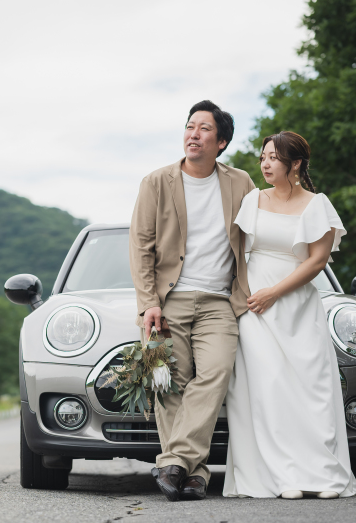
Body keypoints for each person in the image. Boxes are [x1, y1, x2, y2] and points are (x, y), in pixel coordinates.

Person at [223, 131, 356, 499]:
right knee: (268, 390)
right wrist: (251, 294)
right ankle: (283, 477)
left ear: (295, 163)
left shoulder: (317, 205)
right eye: (263, 157)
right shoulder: (252, 200)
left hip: (297, 307)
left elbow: (316, 261)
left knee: (311, 390)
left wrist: (275, 292)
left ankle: (323, 476)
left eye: (274, 157)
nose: (265, 164)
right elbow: (234, 251)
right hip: (254, 308)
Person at [129, 100, 256, 502]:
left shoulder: (241, 183)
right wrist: (148, 303)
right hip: (165, 304)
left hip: (220, 303)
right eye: (189, 126)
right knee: (166, 383)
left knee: (216, 373)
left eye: (204, 129)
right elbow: (140, 246)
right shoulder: (155, 182)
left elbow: (258, 238)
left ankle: (173, 463)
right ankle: (194, 475)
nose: (194, 134)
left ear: (222, 142)